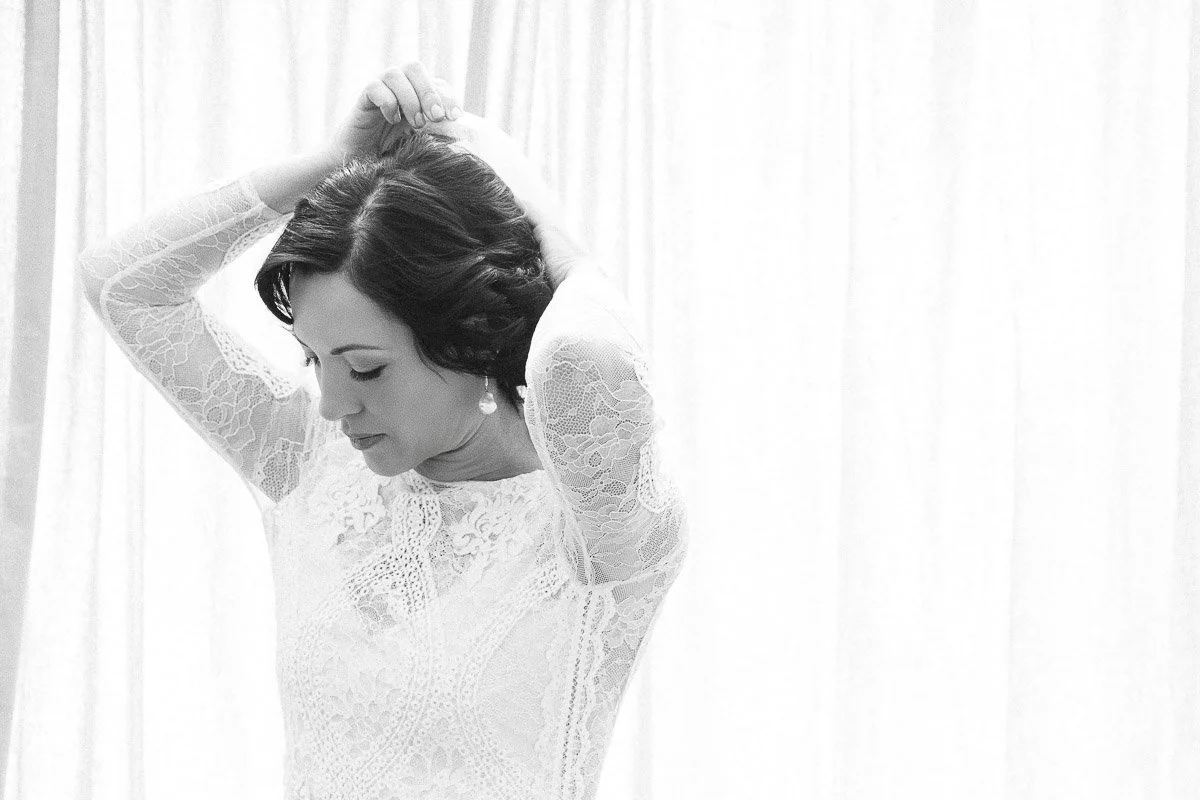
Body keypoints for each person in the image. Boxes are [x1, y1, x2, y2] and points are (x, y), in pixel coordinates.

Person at [77, 61, 687, 800]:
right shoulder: (312, 468)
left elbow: (583, 355)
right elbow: (122, 285)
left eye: (365, 369)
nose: (332, 405)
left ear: (470, 337)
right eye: (314, 359)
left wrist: (542, 218)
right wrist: (333, 165)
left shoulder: (596, 531)